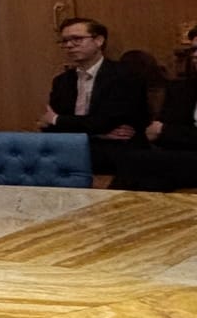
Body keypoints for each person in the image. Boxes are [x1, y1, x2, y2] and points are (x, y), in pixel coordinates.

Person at [39, 16, 151, 175]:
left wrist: (57, 119)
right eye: (64, 41)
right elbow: (51, 129)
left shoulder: (125, 75)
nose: (69, 45)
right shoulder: (62, 81)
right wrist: (96, 133)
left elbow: (105, 121)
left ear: (98, 41)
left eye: (76, 39)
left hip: (117, 151)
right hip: (74, 149)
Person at [112, 22, 197, 193]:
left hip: (184, 157)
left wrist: (168, 131)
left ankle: (96, 214)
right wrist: (169, 133)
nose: (195, 56)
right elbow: (155, 133)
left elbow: (162, 130)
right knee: (151, 181)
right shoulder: (182, 89)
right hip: (182, 156)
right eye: (193, 50)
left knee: (137, 161)